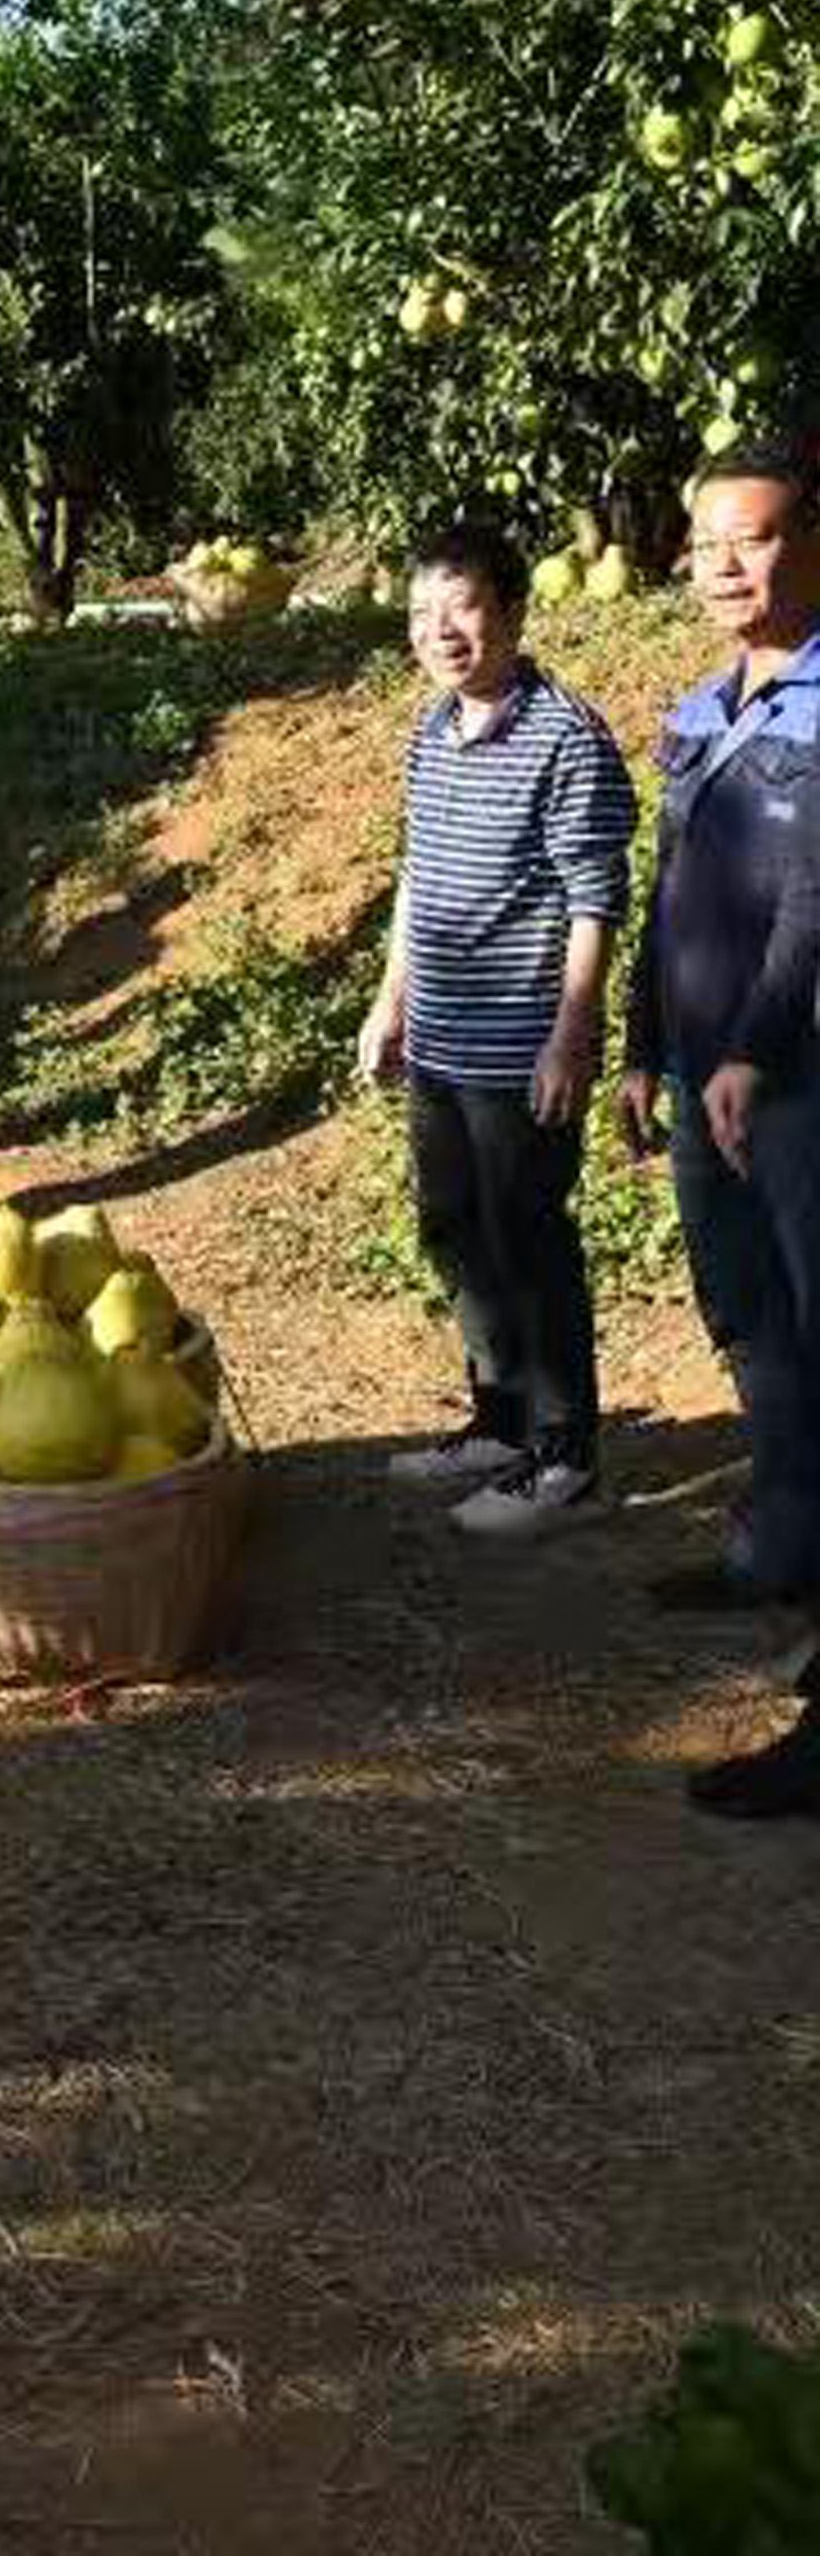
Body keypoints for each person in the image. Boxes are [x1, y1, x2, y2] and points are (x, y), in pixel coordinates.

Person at [613, 437, 820, 1815]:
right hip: (702, 1082)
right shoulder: (702, 706)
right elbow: (673, 882)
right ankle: (785, 1551)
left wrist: (748, 1048)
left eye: (749, 539)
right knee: (749, 1323)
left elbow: (815, 902)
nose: (722, 566)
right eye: (704, 545)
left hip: (795, 1085)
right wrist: (643, 1045)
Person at [357, 524, 636, 1536]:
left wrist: (573, 1032)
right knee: (454, 1230)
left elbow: (595, 895)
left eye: (461, 608)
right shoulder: (431, 730)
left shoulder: (569, 737)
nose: (441, 632)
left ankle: (567, 1458)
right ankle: (501, 1419)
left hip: (521, 1052)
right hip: (439, 1038)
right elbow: (417, 878)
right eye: (422, 615)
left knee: (530, 1237)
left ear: (513, 612)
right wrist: (392, 1002)